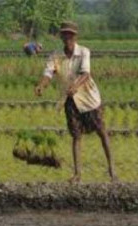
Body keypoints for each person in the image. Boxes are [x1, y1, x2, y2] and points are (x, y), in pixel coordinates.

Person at [33, 21, 116, 183]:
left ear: (75, 36)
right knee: (76, 136)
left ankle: (112, 170)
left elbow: (86, 74)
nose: (67, 37)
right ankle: (77, 174)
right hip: (71, 101)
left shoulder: (84, 52)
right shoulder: (55, 56)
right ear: (61, 36)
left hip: (90, 99)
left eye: (70, 34)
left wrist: (75, 86)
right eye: (65, 34)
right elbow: (48, 73)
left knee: (102, 132)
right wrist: (41, 85)